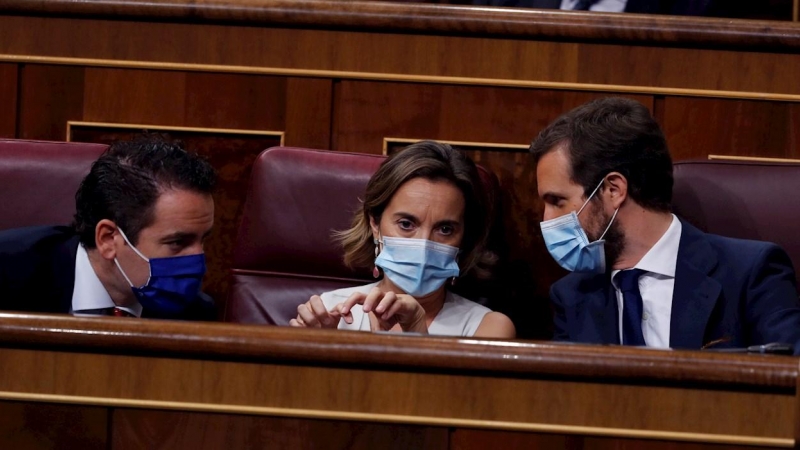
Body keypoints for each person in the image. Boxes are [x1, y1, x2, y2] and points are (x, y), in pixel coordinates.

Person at [531, 97, 800, 351]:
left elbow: (789, 382)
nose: (548, 219)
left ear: (613, 190)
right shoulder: (571, 296)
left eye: (557, 201)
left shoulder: (750, 273)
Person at [289, 141, 515, 338]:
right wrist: (324, 350)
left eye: (445, 229)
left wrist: (417, 335)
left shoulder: (488, 327)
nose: (424, 244)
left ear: (464, 238)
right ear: (375, 225)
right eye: (406, 224)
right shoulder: (329, 311)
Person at [0, 136, 217, 320]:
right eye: (178, 242)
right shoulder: (8, 274)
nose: (199, 261)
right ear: (108, 239)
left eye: (203, 239)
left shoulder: (194, 313)